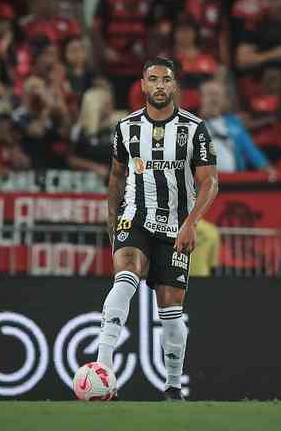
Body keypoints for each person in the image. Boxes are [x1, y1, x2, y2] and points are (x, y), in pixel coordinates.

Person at [96, 57, 218, 401]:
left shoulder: (194, 129)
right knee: (126, 273)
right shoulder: (126, 127)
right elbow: (117, 176)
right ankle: (104, 369)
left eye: (166, 79)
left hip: (176, 226)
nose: (160, 85)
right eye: (153, 79)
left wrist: (191, 223)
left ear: (175, 85)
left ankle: (173, 386)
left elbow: (209, 183)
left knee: (170, 307)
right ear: (143, 85)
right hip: (134, 216)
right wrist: (111, 219)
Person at [199, 79, 274, 174]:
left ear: (224, 100)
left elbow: (251, 152)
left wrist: (266, 168)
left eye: (217, 94)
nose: (213, 99)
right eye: (209, 94)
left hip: (231, 182)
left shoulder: (234, 125)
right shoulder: (188, 125)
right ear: (200, 98)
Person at [68, 85, 126, 179]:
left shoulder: (120, 125)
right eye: (107, 103)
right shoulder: (80, 129)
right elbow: (72, 159)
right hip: (89, 181)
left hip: (116, 181)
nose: (111, 106)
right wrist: (95, 167)